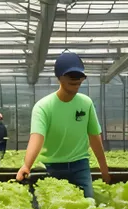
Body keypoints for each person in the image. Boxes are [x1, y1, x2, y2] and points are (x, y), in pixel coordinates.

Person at [16, 52, 110, 198]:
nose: (76, 80)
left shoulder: (86, 103)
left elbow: (94, 137)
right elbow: (37, 138)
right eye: (71, 76)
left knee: (88, 207)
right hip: (51, 168)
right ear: (59, 78)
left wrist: (104, 170)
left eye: (79, 77)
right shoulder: (43, 107)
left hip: (80, 166)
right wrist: (27, 165)